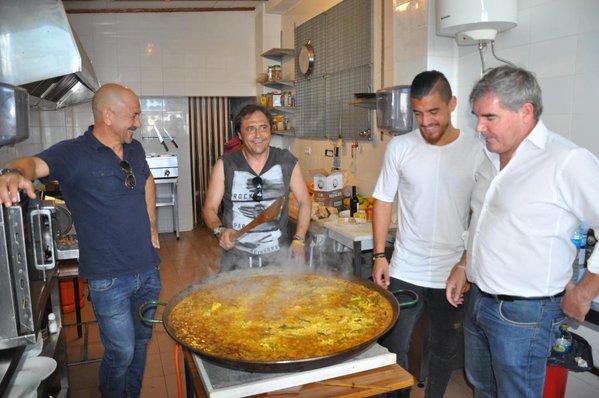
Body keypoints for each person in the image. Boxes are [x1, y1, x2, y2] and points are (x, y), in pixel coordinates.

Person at [446, 65, 599, 397]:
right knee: (482, 388)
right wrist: (463, 266)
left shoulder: (566, 160)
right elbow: (481, 222)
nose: (479, 127)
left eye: (489, 117)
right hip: (479, 301)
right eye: (477, 116)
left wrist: (585, 292)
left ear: (525, 112)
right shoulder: (491, 156)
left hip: (525, 314)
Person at [0, 83, 161, 398]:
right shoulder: (72, 153)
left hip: (148, 270)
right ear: (108, 115)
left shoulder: (134, 149)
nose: (137, 123)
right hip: (108, 277)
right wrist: (10, 171)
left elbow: (147, 180)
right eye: (134, 116)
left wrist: (152, 225)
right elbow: (32, 164)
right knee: (122, 352)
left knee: (141, 345)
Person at [372, 70, 484, 398]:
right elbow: (383, 200)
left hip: (453, 272)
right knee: (394, 346)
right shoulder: (400, 147)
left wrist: (465, 264)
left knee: (444, 347)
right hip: (406, 268)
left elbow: (481, 214)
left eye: (434, 112)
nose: (426, 122)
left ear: (452, 104)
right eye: (418, 114)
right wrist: (380, 254)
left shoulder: (476, 150)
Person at [203, 104, 311, 271]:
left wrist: (299, 239)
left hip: (278, 260)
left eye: (263, 127)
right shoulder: (225, 165)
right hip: (236, 261)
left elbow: (305, 201)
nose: (258, 135)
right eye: (250, 129)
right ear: (240, 134)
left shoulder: (286, 161)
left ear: (270, 131)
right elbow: (209, 208)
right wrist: (220, 230)